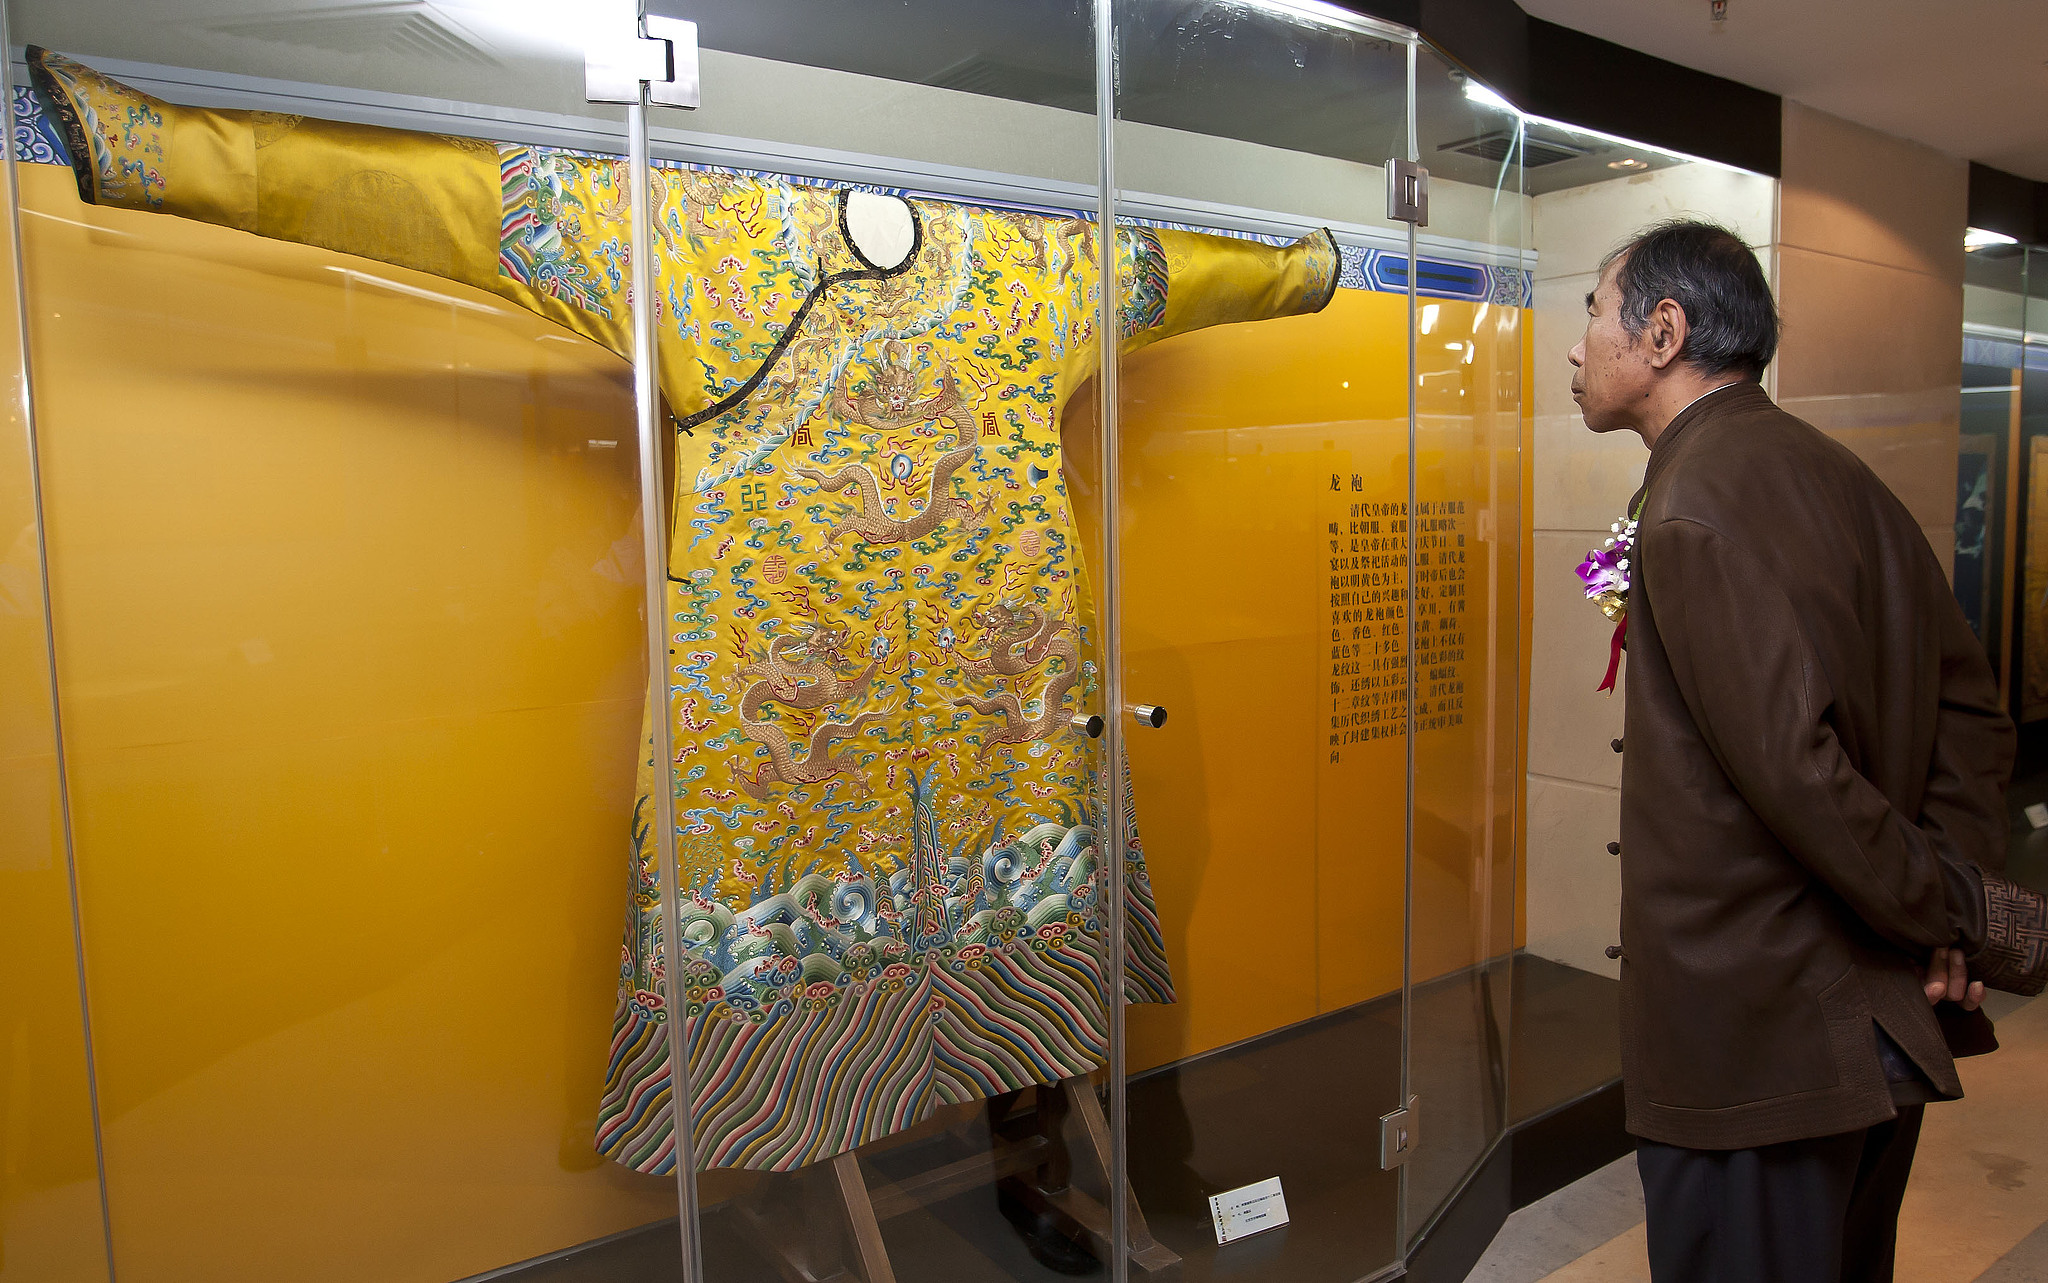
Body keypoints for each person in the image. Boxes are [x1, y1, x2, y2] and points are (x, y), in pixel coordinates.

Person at [1568, 219, 2048, 1282]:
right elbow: (1973, 713)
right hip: (1868, 1025)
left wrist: (1954, 913)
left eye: (1591, 312)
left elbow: (1799, 775)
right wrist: (1945, 912)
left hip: (1759, 1043)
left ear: (1661, 330)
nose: (1574, 345)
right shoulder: (1838, 477)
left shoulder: (1692, 506)